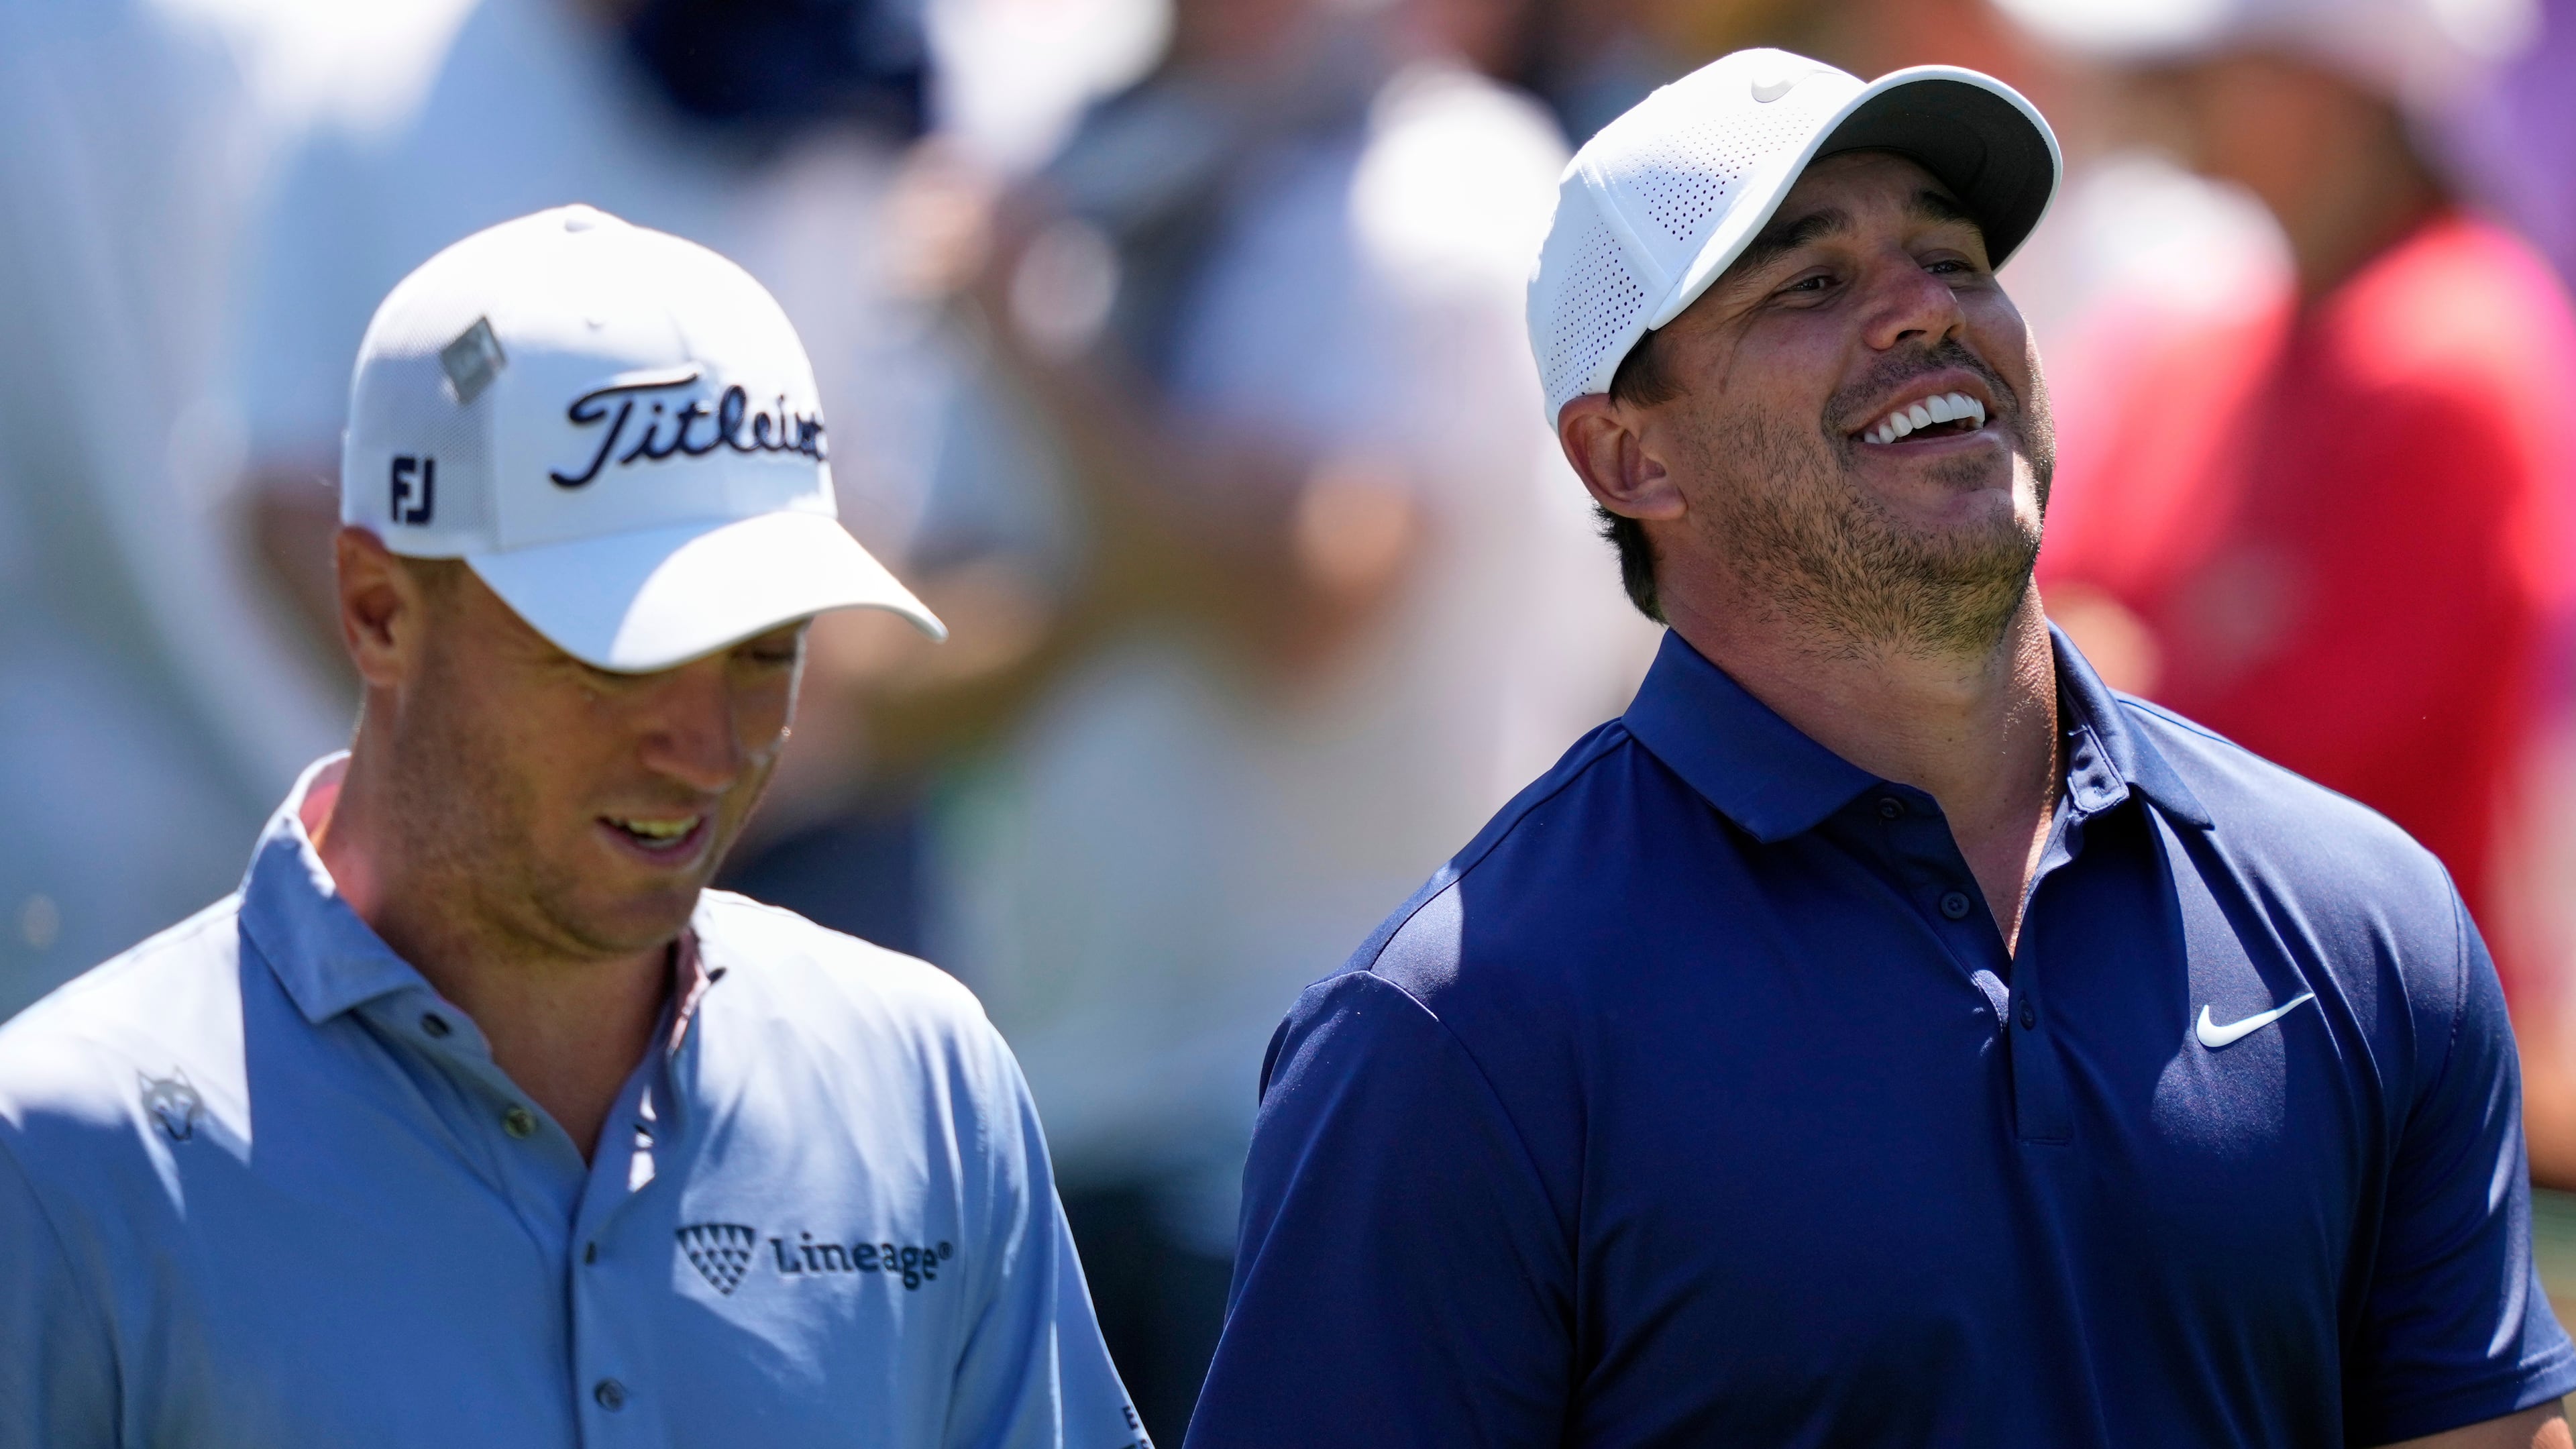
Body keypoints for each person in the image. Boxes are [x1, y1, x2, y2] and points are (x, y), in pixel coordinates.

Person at [1186, 48, 2576, 1446]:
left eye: (1955, 257)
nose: (1924, 313)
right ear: (1628, 459)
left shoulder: (2365, 920)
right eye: (1811, 283)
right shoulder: (1451, 1035)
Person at [0, 207, 1142, 1448]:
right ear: (379, 609)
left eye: (766, 652)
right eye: (618, 656)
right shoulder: (62, 1154)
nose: (709, 746)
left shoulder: (928, 1085)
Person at [887, 0, 1659, 1430]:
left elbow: (1308, 612)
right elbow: (885, 688)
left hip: (1337, 1119)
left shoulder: (1449, 192)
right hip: (1050, 1109)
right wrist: (1165, 552)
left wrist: (1032, 355)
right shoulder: (1062, 186)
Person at [2006, 0, 2576, 1184]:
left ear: (2331, 90)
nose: (2182, 93)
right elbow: (2029, 636)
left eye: (2224, 66)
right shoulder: (2207, 341)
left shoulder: (2452, 357)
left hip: (2363, 1113)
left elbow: (2273, 787)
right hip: (2193, 1075)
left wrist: (2096, 682)